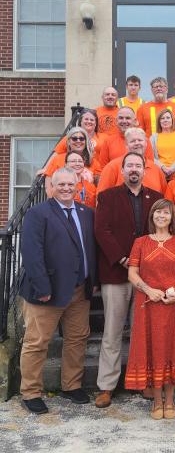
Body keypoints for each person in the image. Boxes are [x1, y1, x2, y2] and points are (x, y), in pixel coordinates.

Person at [19, 167, 98, 414]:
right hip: (47, 292)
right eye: (60, 184)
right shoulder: (37, 213)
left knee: (77, 339)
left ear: (77, 186)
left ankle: (71, 385)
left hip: (78, 290)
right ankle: (30, 392)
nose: (66, 188)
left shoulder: (86, 213)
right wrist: (42, 287)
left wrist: (92, 279)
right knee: (37, 342)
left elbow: (90, 249)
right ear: (51, 187)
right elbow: (32, 253)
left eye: (70, 185)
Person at [125, 199, 175, 419]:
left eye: (166, 213)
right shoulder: (140, 242)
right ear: (151, 216)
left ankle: (170, 401)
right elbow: (132, 274)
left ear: (172, 218)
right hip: (149, 305)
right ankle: (156, 401)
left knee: (173, 348)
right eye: (157, 212)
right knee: (154, 350)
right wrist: (148, 289)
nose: (161, 216)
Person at [94, 152, 162, 408]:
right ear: (121, 170)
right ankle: (106, 386)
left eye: (138, 166)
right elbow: (102, 231)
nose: (134, 169)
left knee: (141, 332)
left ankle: (141, 380)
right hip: (116, 274)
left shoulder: (155, 198)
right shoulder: (107, 197)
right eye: (129, 165)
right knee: (112, 332)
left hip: (146, 277)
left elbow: (160, 231)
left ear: (145, 170)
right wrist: (123, 259)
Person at [97, 127, 167, 195]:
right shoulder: (112, 167)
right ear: (126, 145)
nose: (137, 143)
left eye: (140, 140)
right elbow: (101, 198)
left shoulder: (156, 170)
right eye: (133, 141)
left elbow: (164, 201)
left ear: (146, 143)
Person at [45, 127, 101, 196]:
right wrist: (52, 201)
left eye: (81, 138)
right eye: (74, 139)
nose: (78, 141)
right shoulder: (57, 159)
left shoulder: (92, 161)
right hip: (63, 202)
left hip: (88, 203)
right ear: (68, 142)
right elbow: (49, 183)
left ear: (85, 141)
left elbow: (99, 184)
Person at [150, 108, 175, 179]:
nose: (165, 120)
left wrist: (172, 169)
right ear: (159, 121)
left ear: (172, 120)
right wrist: (163, 167)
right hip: (159, 174)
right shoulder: (153, 137)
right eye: (162, 118)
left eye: (168, 117)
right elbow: (151, 157)